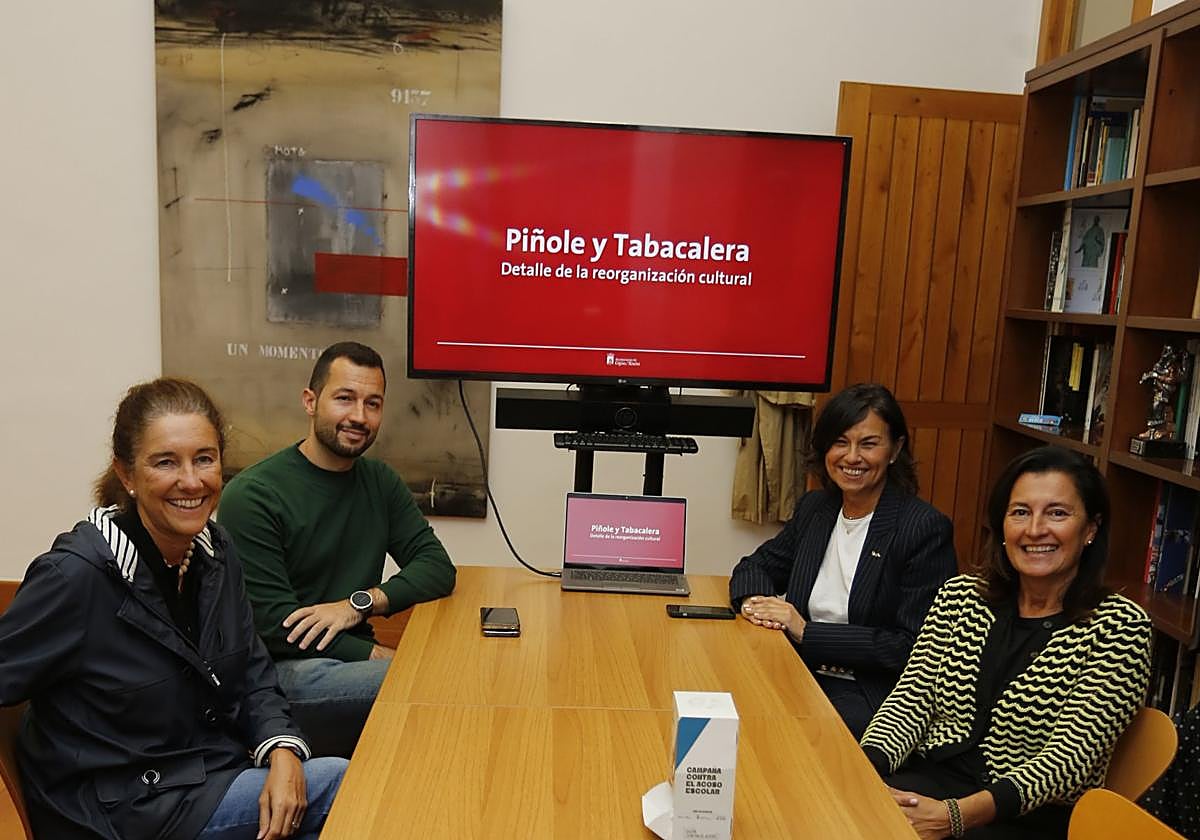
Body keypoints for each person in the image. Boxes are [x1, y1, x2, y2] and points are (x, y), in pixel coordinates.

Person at [0, 378, 346, 840]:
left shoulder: (216, 551)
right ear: (126, 474)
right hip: (123, 812)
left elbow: (253, 674)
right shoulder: (75, 576)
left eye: (204, 458)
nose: (191, 480)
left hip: (207, 776)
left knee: (319, 789)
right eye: (166, 462)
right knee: (343, 785)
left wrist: (282, 750)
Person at [860, 445, 1153, 840]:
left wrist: (955, 816)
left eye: (1057, 513)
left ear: (1091, 529)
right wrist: (863, 770)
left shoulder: (1119, 627)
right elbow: (912, 699)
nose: (1034, 530)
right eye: (1020, 512)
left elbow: (1068, 761)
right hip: (928, 783)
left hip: (1021, 816)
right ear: (1002, 527)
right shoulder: (961, 597)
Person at [219, 341, 456, 758]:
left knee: (438, 683)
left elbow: (437, 567)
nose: (359, 417)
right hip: (278, 674)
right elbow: (275, 625)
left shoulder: (379, 481)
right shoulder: (253, 495)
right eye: (344, 398)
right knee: (422, 680)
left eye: (373, 403)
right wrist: (376, 654)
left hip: (351, 661)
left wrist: (359, 604)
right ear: (310, 401)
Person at [729, 382, 957, 737]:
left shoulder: (923, 528)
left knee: (781, 735)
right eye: (840, 442)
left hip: (869, 691)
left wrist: (806, 630)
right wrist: (756, 604)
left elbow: (911, 646)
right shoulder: (816, 508)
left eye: (868, 444)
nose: (852, 457)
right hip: (798, 667)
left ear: (895, 450)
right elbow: (755, 567)